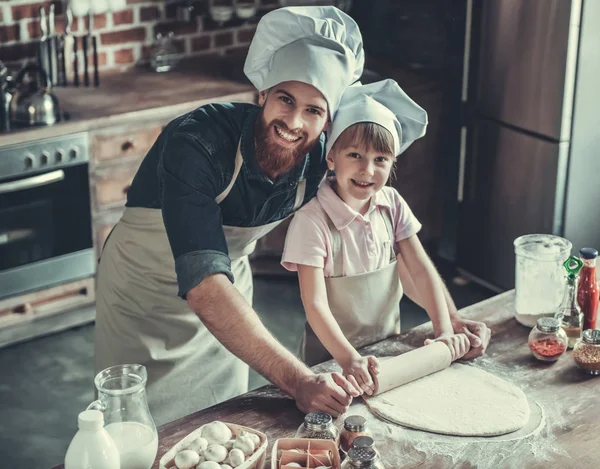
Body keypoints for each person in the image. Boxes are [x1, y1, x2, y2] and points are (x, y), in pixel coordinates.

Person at [94, 6, 367, 426]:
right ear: (263, 94)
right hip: (140, 297)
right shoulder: (198, 140)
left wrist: (450, 322)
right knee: (137, 429)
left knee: (222, 427)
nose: (293, 122)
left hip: (228, 307)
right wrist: (298, 381)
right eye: (285, 100)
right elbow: (203, 286)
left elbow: (383, 221)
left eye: (313, 110)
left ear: (327, 121)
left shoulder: (317, 165)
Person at [281, 80, 491, 395]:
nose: (368, 170)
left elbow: (420, 270)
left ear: (393, 163)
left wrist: (444, 329)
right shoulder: (312, 221)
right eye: (355, 155)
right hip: (333, 363)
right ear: (331, 158)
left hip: (387, 353)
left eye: (381, 159)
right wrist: (349, 359)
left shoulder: (391, 204)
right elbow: (315, 304)